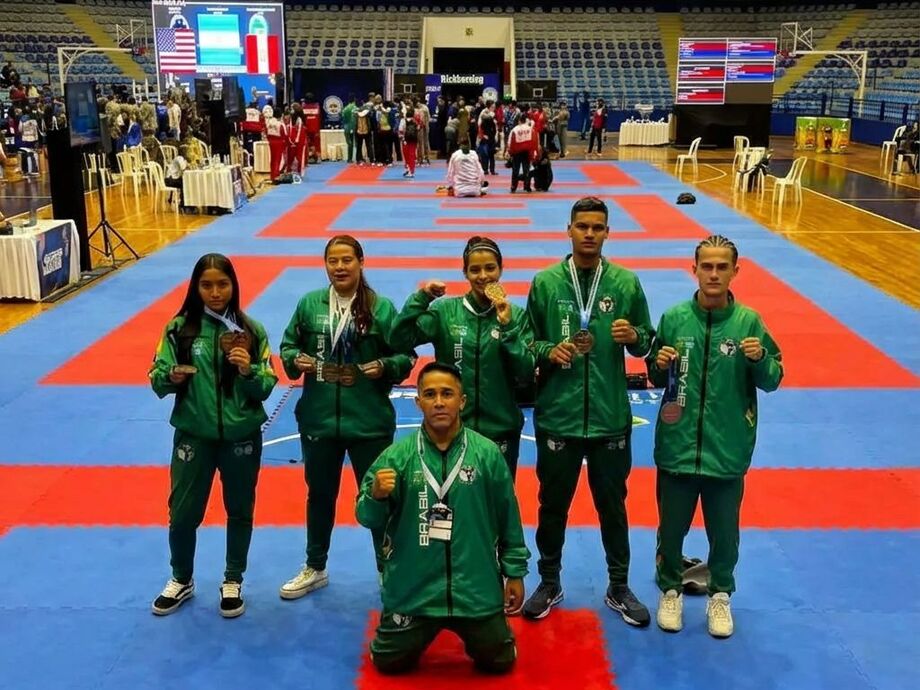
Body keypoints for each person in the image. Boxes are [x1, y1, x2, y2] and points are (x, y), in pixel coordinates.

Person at [523, 196, 654, 626]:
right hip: (558, 415)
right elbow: (528, 344)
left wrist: (633, 333)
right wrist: (549, 350)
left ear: (607, 232)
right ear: (569, 229)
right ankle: (548, 580)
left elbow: (646, 343)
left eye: (598, 227)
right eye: (583, 226)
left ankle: (619, 585)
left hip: (608, 416)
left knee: (613, 506)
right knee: (552, 504)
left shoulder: (625, 283)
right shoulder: (545, 283)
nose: (590, 234)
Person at [647, 235, 783, 638]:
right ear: (694, 269)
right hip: (677, 443)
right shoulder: (673, 318)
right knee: (671, 528)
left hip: (728, 446)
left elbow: (774, 378)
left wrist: (759, 359)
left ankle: (720, 595)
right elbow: (655, 377)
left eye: (722, 267)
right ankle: (670, 588)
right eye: (707, 266)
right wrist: (657, 363)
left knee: (724, 532)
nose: (713, 273)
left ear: (735, 272)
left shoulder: (749, 323)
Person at [356, 361, 530, 675]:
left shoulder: (487, 454)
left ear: (462, 401)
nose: (439, 402)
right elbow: (366, 517)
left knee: (499, 663)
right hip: (414, 590)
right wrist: (375, 496)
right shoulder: (397, 457)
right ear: (418, 400)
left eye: (447, 394)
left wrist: (514, 572)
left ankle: (491, 628)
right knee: (388, 663)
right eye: (430, 394)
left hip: (473, 589)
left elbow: (508, 517)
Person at [278, 235, 416, 599]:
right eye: (332, 261)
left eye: (346, 260)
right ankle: (316, 566)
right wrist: (295, 360)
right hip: (319, 418)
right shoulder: (310, 305)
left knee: (379, 495)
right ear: (325, 265)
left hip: (368, 420)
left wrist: (383, 366)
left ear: (360, 262)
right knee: (319, 494)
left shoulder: (381, 308)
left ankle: (389, 569)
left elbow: (406, 357)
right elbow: (288, 345)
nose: (339, 267)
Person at [148, 254, 278, 618]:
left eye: (223, 284)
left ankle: (233, 578)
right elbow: (156, 374)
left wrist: (248, 370)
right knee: (184, 512)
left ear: (234, 286)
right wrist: (170, 377)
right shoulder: (179, 329)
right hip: (194, 435)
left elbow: (268, 384)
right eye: (207, 285)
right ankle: (181, 578)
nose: (216, 292)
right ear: (196, 287)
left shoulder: (252, 331)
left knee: (240, 509)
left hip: (241, 435)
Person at [391, 237, 534, 477]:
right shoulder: (445, 312)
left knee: (497, 506)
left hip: (501, 430)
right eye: (474, 269)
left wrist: (508, 329)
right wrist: (422, 298)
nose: (483, 276)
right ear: (465, 273)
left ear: (500, 269)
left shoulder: (516, 317)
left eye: (490, 268)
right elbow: (398, 339)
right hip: (451, 429)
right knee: (450, 506)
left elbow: (526, 372)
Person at [507, 112, 538, 194]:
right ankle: (527, 187)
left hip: (517, 153)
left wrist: (510, 152)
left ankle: (513, 187)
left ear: (519, 120)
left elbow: (510, 142)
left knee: (515, 170)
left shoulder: (515, 129)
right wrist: (534, 152)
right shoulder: (530, 129)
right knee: (526, 170)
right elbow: (534, 141)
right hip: (527, 152)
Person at [342, 93, 357, 163]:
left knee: (349, 143)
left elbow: (343, 119)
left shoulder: (344, 109)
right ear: (354, 100)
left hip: (346, 128)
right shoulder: (356, 108)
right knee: (356, 143)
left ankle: (349, 158)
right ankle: (357, 158)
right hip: (354, 127)